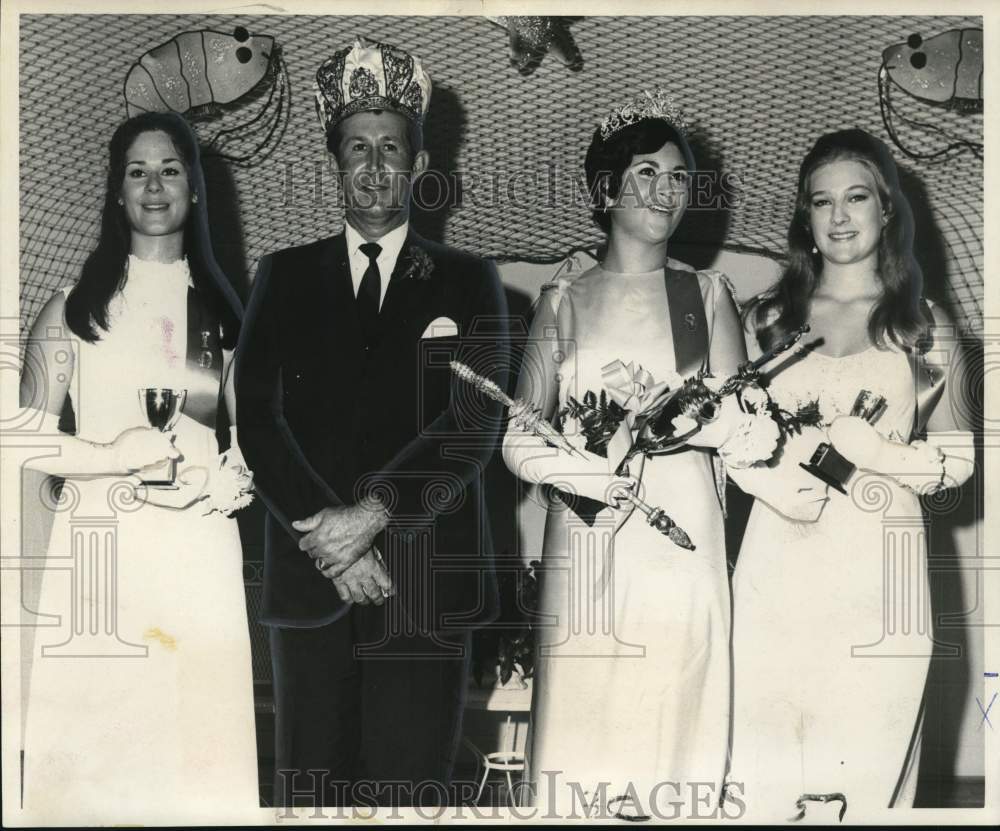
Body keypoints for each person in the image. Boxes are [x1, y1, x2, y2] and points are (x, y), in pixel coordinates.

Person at [500, 90, 812, 819]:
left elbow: (746, 425)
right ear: (606, 188)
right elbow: (518, 433)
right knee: (587, 738)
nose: (665, 191)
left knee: (673, 733)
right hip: (589, 542)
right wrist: (583, 473)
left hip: (682, 542)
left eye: (678, 178)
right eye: (646, 172)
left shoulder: (704, 296)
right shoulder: (564, 300)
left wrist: (695, 421)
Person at [235, 37, 509, 808]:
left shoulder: (470, 281)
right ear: (336, 164)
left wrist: (371, 515)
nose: (375, 164)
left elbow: (472, 421)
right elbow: (257, 418)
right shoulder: (282, 276)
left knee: (406, 791)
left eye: (392, 147)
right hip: (311, 574)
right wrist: (330, 543)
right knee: (309, 790)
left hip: (423, 583)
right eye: (357, 147)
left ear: (420, 168)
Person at [18, 112, 258, 823]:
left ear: (195, 189)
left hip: (197, 553)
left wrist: (238, 472)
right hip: (104, 554)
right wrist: (106, 456)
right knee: (101, 762)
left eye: (171, 169)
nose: (154, 186)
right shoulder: (72, 309)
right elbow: (21, 437)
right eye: (137, 171)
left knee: (196, 755)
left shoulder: (224, 315)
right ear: (116, 193)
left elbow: (246, 437)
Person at [730, 128, 975, 821]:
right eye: (821, 201)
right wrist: (762, 470)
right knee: (767, 773)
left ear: (888, 210)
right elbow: (724, 437)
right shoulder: (767, 322)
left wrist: (874, 451)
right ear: (804, 217)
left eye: (857, 197)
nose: (839, 216)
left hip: (876, 575)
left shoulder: (925, 329)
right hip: (776, 570)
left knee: (865, 774)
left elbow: (958, 463)